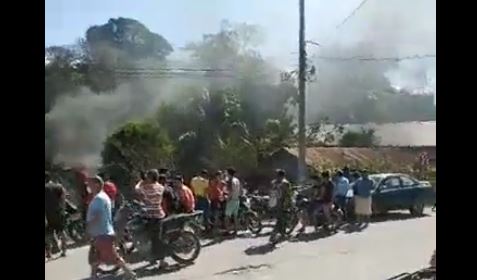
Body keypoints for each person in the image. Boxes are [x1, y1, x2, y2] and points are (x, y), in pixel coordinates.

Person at [86, 175, 136, 280]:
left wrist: (89, 225)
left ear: (97, 185)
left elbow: (97, 215)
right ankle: (93, 275)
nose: (88, 187)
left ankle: (129, 273)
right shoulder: (103, 197)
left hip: (102, 232)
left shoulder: (99, 198)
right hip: (101, 232)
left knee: (113, 256)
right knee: (95, 255)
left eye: (90, 184)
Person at [135, 169, 168, 269]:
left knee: (155, 239)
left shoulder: (147, 187)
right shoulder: (161, 187)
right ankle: (154, 258)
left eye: (147, 177)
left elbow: (137, 189)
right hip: (159, 214)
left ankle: (161, 261)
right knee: (155, 238)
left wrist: (141, 181)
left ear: (150, 177)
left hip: (151, 216)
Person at [45, 172, 68, 258]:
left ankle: (49, 253)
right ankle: (64, 250)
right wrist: (63, 210)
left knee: (48, 233)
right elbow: (63, 199)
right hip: (59, 212)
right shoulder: (58, 186)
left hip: (48, 214)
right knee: (62, 231)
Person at [269, 169, 293, 242]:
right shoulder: (285, 183)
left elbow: (270, 192)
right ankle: (273, 235)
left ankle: (282, 234)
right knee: (281, 220)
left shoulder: (273, 182)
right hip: (282, 204)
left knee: (282, 219)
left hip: (274, 203)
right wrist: (289, 203)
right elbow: (288, 194)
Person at [224, 168, 241, 235]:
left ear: (229, 173)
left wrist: (228, 198)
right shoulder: (237, 180)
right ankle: (236, 230)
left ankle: (227, 231)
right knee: (235, 216)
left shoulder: (230, 180)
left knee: (227, 216)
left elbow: (230, 191)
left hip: (231, 200)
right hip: (237, 199)